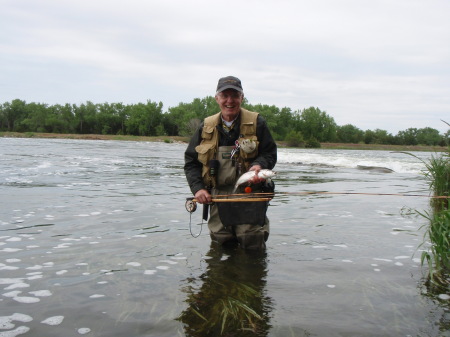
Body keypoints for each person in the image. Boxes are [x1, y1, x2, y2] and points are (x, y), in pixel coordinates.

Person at [184, 76, 277, 249]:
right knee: (220, 244)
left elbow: (269, 153)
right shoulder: (206, 126)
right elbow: (191, 162)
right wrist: (198, 189)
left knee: (252, 243)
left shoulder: (257, 122)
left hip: (250, 194)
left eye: (235, 95)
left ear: (242, 97)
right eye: (224, 95)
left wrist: (259, 165)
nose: (229, 101)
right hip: (217, 196)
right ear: (217, 98)